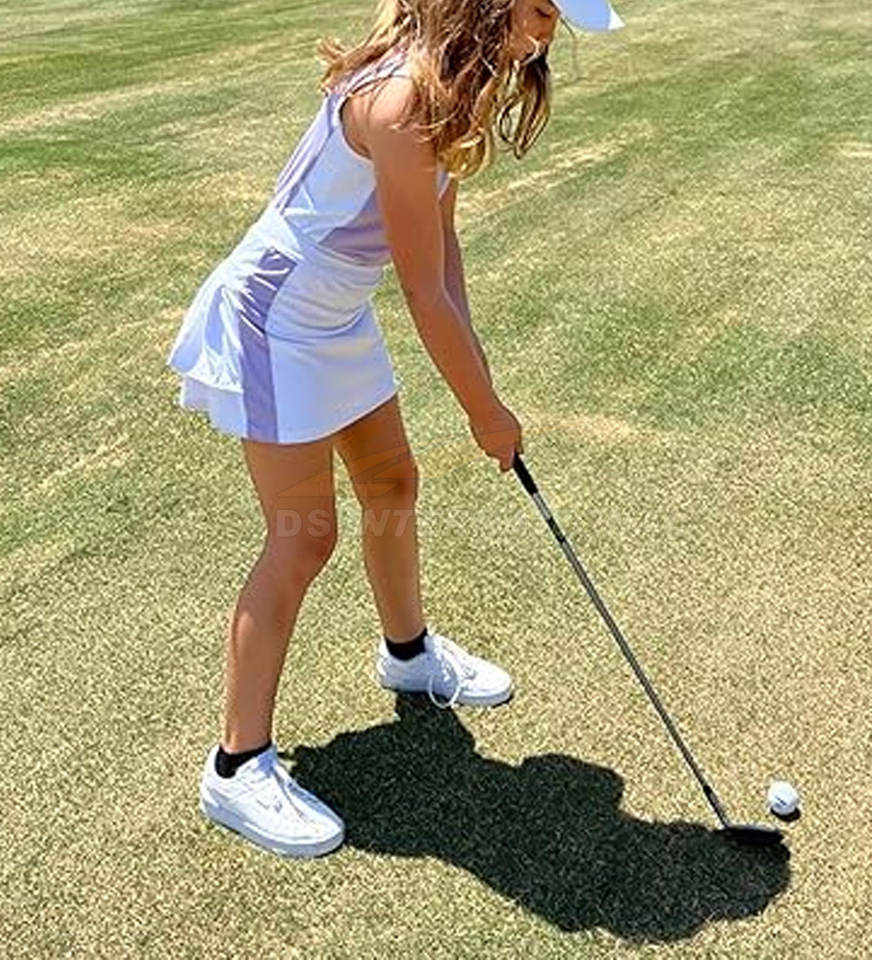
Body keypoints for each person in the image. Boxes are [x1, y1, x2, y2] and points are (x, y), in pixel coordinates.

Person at [166, 0, 624, 859]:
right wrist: (483, 412)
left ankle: (407, 655)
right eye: (537, 11)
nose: (543, 37)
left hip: (332, 314)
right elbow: (418, 290)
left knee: (392, 484)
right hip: (275, 316)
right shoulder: (402, 100)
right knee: (303, 535)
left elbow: (441, 257)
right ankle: (236, 766)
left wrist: (485, 389)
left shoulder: (454, 84)